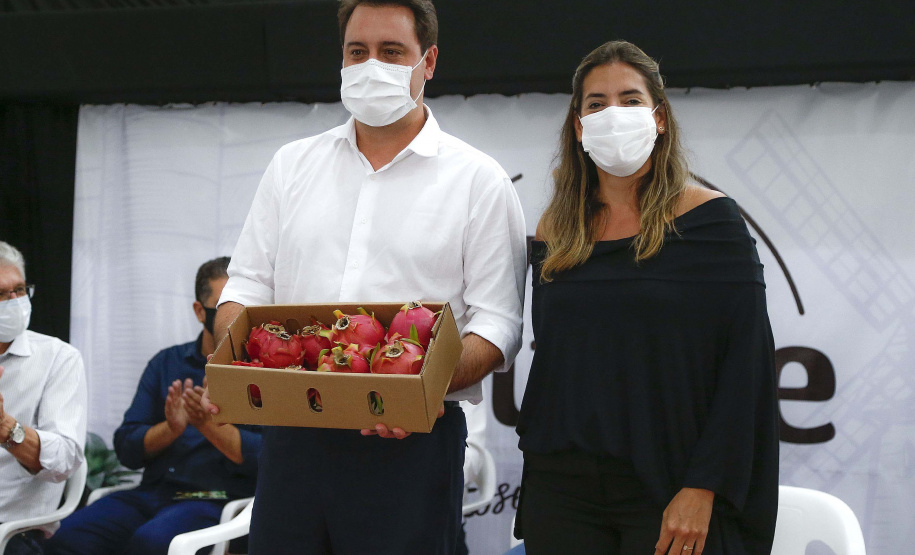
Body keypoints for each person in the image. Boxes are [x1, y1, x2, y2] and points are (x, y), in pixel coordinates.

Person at [205, 1, 527, 553]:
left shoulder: (479, 180)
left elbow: (499, 325)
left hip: (412, 441)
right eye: (358, 52)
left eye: (391, 51)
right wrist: (239, 354)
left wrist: (413, 391)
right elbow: (247, 287)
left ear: (428, 62)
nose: (371, 65)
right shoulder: (292, 165)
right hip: (293, 435)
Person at [514, 41, 779, 555]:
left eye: (631, 100)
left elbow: (746, 367)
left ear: (660, 118)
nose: (613, 114)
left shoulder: (712, 223)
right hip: (561, 489)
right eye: (596, 104)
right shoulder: (555, 231)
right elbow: (554, 357)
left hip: (670, 483)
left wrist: (704, 486)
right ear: (578, 125)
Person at [45, 257, 262, 555]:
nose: (231, 320)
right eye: (221, 309)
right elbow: (127, 448)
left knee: (153, 542)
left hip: (216, 499)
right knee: (68, 537)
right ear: (200, 312)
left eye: (239, 310)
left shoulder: (260, 373)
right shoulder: (166, 363)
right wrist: (170, 429)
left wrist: (208, 427)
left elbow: (266, 458)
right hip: (153, 493)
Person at [0, 241, 87, 555]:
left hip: (13, 532)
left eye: (20, 290)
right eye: (2, 294)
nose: (14, 301)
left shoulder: (58, 358)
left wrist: (8, 430)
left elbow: (66, 459)